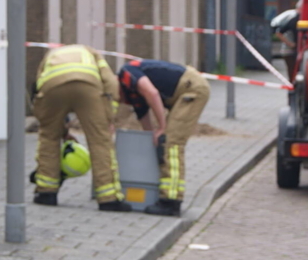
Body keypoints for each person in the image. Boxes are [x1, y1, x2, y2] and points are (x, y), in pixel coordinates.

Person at [31, 45, 131, 212]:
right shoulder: (92, 52)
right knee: (100, 141)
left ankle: (46, 193)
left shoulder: (50, 55)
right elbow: (111, 82)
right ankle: (109, 198)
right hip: (88, 85)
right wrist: (108, 117)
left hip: (52, 86)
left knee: (49, 137)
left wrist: (58, 129)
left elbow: (38, 88)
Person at [118, 59, 210, 217]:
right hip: (185, 89)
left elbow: (152, 93)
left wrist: (161, 127)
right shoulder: (131, 92)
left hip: (191, 89)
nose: (118, 101)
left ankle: (171, 202)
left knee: (172, 144)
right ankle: (168, 195)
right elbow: (143, 116)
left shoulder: (126, 73)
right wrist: (152, 138)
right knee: (165, 142)